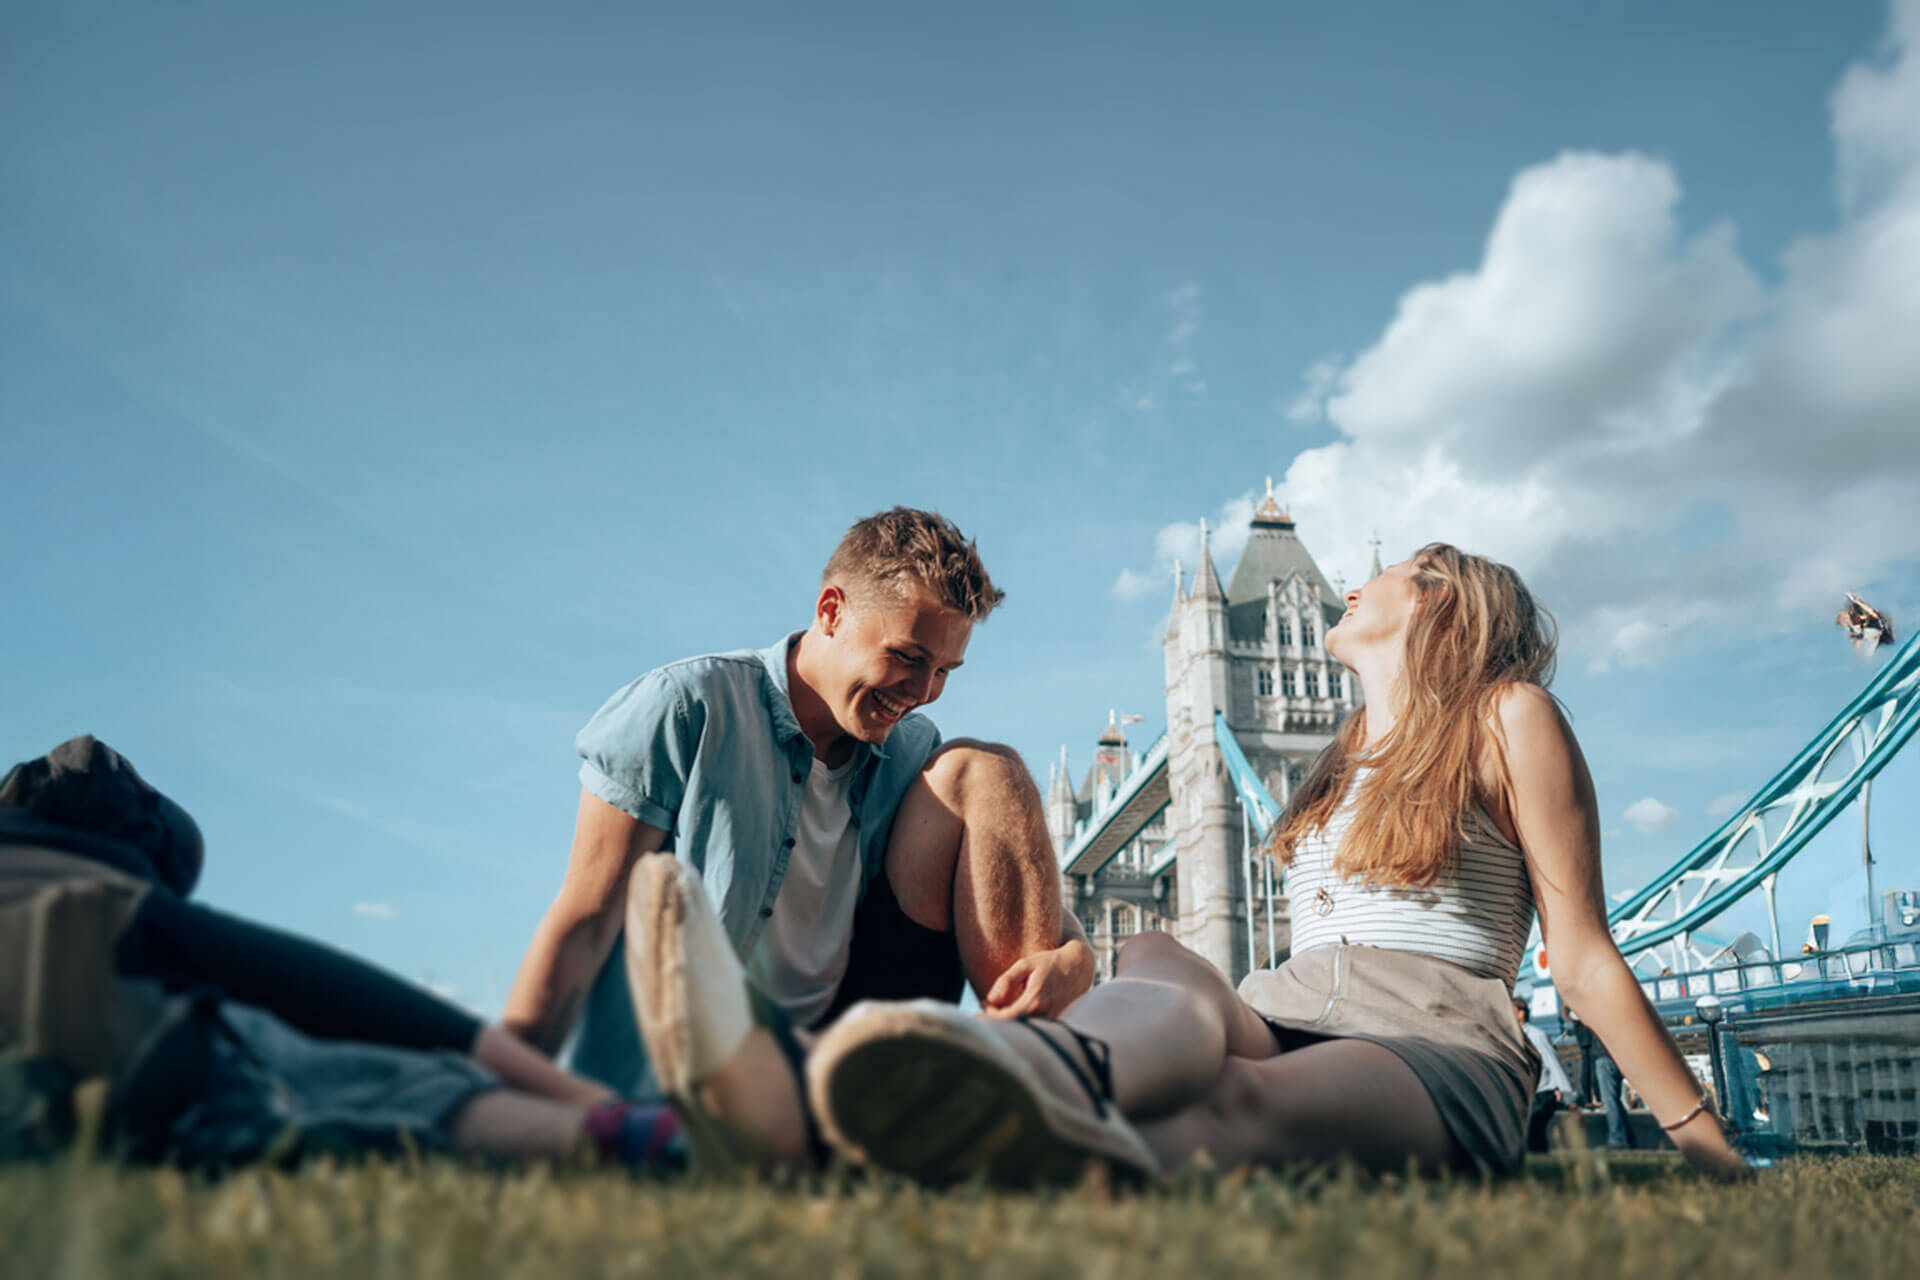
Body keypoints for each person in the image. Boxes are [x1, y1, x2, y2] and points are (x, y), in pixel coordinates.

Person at [646, 542, 1751, 1182]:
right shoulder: (1343, 751)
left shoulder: (1513, 715)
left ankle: (896, 1120)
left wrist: (1702, 1143)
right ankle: (1021, 1072)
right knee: (1163, 951)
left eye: (1397, 568)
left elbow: (1585, 953)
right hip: (1275, 995)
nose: (1351, 583)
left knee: (1236, 1100)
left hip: (1430, 1029)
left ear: (1444, 603)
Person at [503, 507, 1093, 1106]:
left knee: (989, 770)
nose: (923, 694)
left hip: (849, 1050)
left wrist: (1075, 954)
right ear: (831, 611)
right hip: (702, 1071)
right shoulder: (686, 707)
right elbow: (585, 919)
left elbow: (1010, 884)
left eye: (944, 671)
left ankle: (1040, 1097)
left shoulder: (914, 751)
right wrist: (508, 1091)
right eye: (909, 658)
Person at [0, 735, 686, 1170]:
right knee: (362, 1068)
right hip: (118, 1076)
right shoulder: (93, 902)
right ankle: (620, 1139)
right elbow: (339, 992)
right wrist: (580, 1094)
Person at [1514, 997, 1573, 1152]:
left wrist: (1567, 1094)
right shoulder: (1511, 1036)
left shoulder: (1536, 1036)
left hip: (1541, 1094)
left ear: (1521, 1014)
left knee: (1533, 1136)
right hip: (1523, 1094)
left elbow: (1553, 1063)